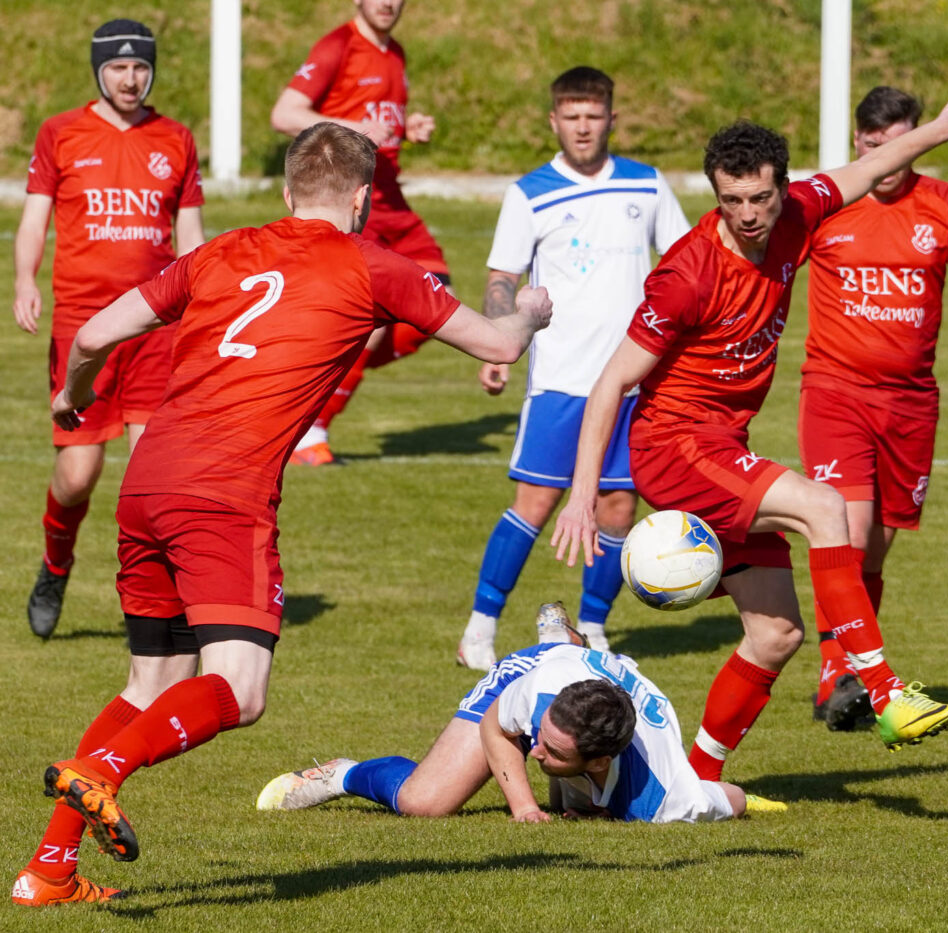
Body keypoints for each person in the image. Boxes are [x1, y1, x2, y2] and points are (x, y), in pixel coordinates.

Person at [11, 122, 552, 908]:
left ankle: (49, 869)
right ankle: (104, 770)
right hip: (225, 497)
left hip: (148, 482)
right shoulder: (372, 264)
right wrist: (531, 311)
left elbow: (93, 332)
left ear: (288, 190)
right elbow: (498, 341)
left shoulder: (218, 252)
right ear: (365, 198)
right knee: (243, 687)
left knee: (148, 683)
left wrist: (76, 393)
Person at [551, 82, 948, 781]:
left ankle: (695, 781)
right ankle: (884, 693)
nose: (749, 214)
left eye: (760, 198)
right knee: (824, 505)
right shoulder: (687, 275)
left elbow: (877, 166)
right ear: (715, 194)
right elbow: (611, 383)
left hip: (722, 446)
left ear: (784, 189)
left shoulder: (802, 212)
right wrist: (580, 495)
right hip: (677, 446)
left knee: (776, 631)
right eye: (732, 200)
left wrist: (943, 126)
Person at [456, 66, 689, 669]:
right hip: (561, 379)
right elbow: (502, 279)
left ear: (611, 118)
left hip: (634, 381)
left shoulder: (647, 185)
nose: (583, 128)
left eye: (593, 116)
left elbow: (685, 263)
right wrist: (498, 337)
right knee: (535, 502)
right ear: (553, 121)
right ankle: (479, 630)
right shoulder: (530, 192)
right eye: (572, 117)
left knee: (618, 507)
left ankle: (592, 627)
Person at [799, 86, 948, 730]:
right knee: (849, 533)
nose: (887, 156)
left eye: (901, 141)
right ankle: (839, 674)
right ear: (859, 142)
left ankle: (853, 670)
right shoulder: (830, 203)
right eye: (875, 143)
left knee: (878, 549)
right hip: (834, 393)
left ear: (918, 137)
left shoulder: (943, 203)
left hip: (911, 405)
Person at [13, 19, 205, 640]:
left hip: (154, 326)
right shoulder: (61, 133)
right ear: (100, 71)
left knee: (153, 470)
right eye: (119, 67)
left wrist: (200, 302)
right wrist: (24, 280)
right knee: (77, 474)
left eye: (141, 67)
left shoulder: (175, 138)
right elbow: (35, 218)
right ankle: (54, 564)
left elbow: (192, 236)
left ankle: (158, 600)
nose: (131, 78)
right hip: (81, 325)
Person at [257, 608, 778, 823]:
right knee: (426, 802)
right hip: (543, 676)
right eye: (541, 739)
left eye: (551, 751)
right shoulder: (540, 700)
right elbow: (498, 727)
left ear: (598, 761)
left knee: (591, 807)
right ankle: (343, 773)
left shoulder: (669, 801)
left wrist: (746, 801)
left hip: (597, 683)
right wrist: (524, 806)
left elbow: (724, 797)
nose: (534, 751)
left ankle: (565, 644)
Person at [270, 0, 450, 465]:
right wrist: (355, 127)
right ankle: (311, 427)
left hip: (392, 201)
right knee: (372, 317)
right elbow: (286, 113)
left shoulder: (396, 53)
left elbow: (379, 126)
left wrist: (408, 128)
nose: (387, 3)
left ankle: (314, 376)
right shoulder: (337, 46)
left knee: (434, 300)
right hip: (350, 199)